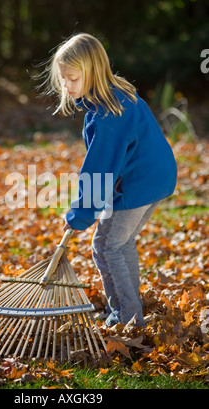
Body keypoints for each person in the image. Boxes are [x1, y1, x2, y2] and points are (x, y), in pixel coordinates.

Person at [42, 33, 177, 327]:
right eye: (63, 78)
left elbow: (98, 172)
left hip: (140, 184)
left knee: (107, 246)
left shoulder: (107, 116)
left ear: (92, 72)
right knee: (119, 243)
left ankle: (127, 317)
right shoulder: (115, 94)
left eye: (72, 79)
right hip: (155, 178)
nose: (66, 85)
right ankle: (128, 308)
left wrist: (79, 215)